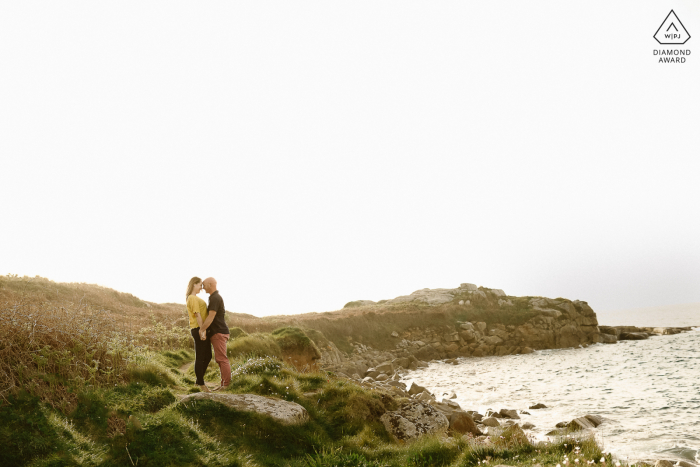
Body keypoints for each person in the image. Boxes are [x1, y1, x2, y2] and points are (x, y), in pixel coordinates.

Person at [199, 277, 232, 390]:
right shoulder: (213, 297)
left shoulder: (215, 298)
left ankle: (226, 385)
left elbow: (211, 316)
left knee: (222, 359)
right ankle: (223, 384)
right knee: (220, 359)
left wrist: (202, 329)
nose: (202, 287)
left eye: (204, 285)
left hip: (219, 332)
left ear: (210, 284)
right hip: (218, 332)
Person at [185, 276, 213, 392]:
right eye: (200, 285)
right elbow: (198, 315)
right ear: (194, 284)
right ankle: (201, 384)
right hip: (198, 329)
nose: (201, 287)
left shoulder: (194, 298)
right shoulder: (192, 298)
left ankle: (198, 381)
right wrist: (203, 330)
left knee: (208, 356)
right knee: (201, 357)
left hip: (200, 328)